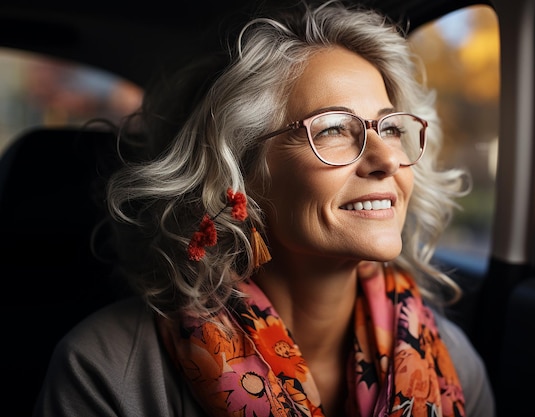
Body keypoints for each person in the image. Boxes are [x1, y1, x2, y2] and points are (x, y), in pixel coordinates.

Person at [33, 1, 495, 416]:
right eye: (335, 127)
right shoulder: (107, 371)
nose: (387, 159)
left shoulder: (454, 362)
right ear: (240, 171)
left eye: (391, 128)